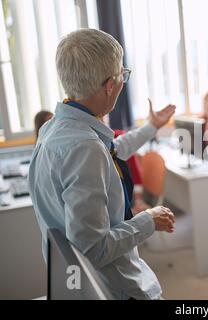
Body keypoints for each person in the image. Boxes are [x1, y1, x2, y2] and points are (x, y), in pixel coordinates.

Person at [28, 29, 176, 300]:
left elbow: (113, 151)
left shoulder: (55, 128)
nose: (123, 81)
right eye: (123, 75)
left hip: (74, 282)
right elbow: (92, 248)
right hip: (113, 287)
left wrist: (151, 127)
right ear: (110, 84)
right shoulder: (85, 148)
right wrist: (148, 220)